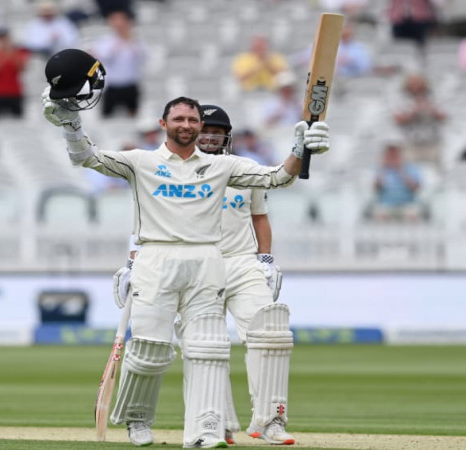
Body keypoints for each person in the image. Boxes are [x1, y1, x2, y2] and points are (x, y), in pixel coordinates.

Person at [41, 48, 330, 448]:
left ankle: (207, 428)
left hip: (206, 259)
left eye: (193, 119)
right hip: (157, 258)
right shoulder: (140, 161)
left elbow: (279, 178)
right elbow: (86, 158)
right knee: (149, 349)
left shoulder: (223, 166)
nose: (188, 125)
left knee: (207, 347)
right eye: (180, 118)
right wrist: (70, 126)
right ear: (164, 123)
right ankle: (139, 420)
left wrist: (300, 148)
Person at [113, 105, 295, 446]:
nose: (210, 136)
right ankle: (215, 422)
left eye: (217, 131)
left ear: (227, 136)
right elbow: (147, 217)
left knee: (270, 330)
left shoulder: (243, 169)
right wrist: (134, 261)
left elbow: (260, 216)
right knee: (204, 345)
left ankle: (270, 420)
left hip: (240, 261)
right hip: (191, 263)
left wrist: (265, 259)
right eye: (205, 128)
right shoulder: (165, 169)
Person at [89, 10, 146, 118]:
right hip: (112, 85)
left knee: (134, 115)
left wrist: (131, 41)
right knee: (107, 115)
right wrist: (120, 42)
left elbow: (142, 57)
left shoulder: (136, 40)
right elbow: (104, 57)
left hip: (131, 84)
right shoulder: (105, 41)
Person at [393, 73, 447, 169]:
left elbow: (444, 117)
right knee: (411, 170)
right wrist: (413, 112)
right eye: (412, 83)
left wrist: (430, 109)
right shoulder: (401, 99)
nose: (415, 86)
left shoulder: (434, 96)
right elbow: (397, 119)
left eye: (418, 83)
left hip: (432, 141)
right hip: (410, 142)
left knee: (437, 170)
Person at [369, 141, 423, 222]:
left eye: (395, 154)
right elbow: (375, 188)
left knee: (413, 215)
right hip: (385, 204)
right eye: (390, 154)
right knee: (379, 215)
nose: (392, 157)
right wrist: (383, 169)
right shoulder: (379, 169)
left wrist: (400, 170)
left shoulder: (411, 168)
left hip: (407, 203)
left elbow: (416, 188)